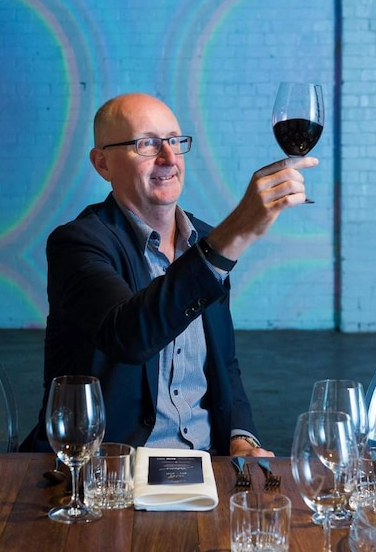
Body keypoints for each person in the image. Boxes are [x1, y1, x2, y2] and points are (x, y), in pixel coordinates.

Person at [23, 92, 318, 456]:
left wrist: (242, 438)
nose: (168, 157)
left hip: (206, 464)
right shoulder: (78, 244)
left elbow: (224, 363)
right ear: (103, 164)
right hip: (106, 467)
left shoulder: (207, 241)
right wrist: (236, 231)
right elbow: (129, 335)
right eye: (146, 144)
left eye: (175, 141)